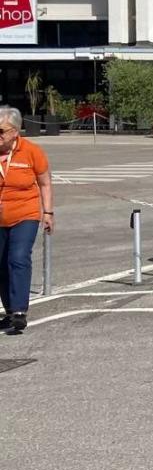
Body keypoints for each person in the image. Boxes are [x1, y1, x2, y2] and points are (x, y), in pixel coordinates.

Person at [0, 106, 54, 335]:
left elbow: (45, 183)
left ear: (15, 130)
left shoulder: (31, 151)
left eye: (1, 130)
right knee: (1, 264)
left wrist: (48, 212)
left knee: (18, 257)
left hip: (26, 213)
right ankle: (10, 310)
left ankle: (20, 311)